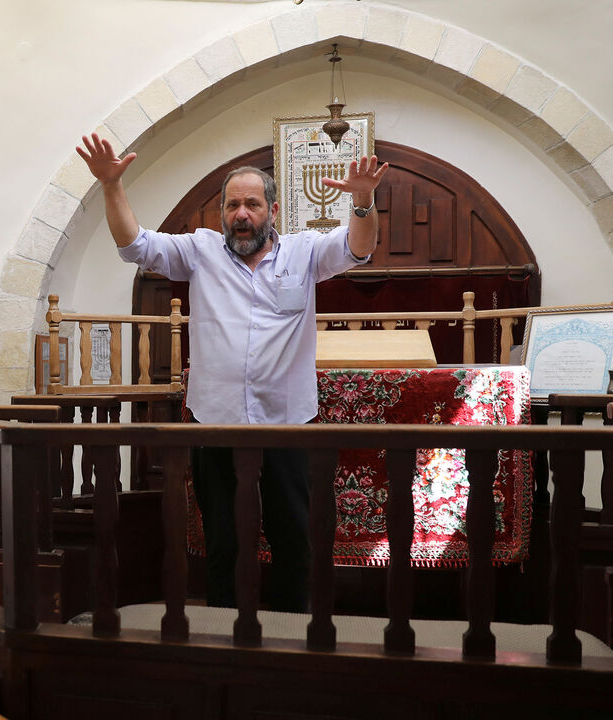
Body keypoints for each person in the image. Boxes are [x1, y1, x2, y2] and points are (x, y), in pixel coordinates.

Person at [76, 133, 389, 611]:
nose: (242, 214)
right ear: (221, 213)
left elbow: (358, 248)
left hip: (287, 424)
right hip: (215, 422)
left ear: (274, 211)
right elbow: (134, 244)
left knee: (294, 541)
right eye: (232, 206)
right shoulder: (200, 251)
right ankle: (224, 635)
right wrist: (111, 186)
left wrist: (363, 200)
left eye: (252, 205)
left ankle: (295, 637)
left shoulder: (304, 253)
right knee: (223, 540)